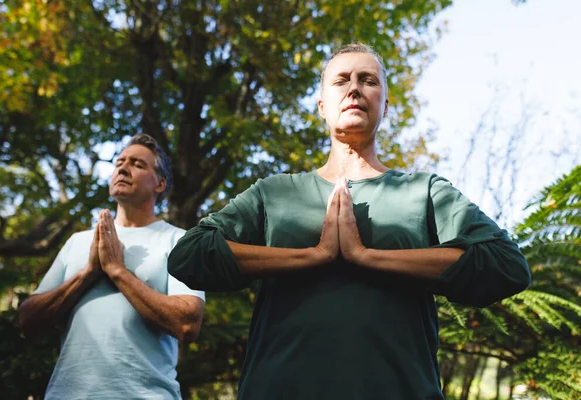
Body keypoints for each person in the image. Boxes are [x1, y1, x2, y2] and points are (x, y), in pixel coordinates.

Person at [167, 44, 531, 399]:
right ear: (322, 106)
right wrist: (316, 255)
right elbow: (190, 254)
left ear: (385, 106)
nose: (355, 87)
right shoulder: (275, 193)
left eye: (368, 80)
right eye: (341, 80)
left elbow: (506, 265)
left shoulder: (423, 191)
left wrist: (365, 256)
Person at [19, 134, 205, 400]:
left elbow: (188, 323)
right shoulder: (78, 242)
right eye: (120, 162)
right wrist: (88, 274)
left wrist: (118, 271)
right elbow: (28, 320)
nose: (123, 168)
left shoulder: (180, 240)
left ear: (160, 183)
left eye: (138, 164)